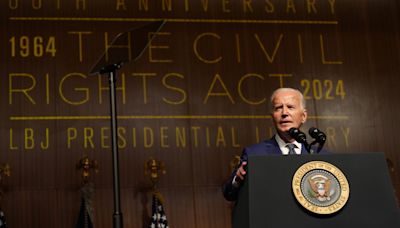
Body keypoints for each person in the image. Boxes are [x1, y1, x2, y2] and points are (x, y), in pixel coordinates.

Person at [223, 87, 326, 201]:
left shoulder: (320, 155)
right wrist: (237, 179)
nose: (284, 113)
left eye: (290, 107)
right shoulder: (255, 154)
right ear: (272, 115)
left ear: (304, 116)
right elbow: (229, 194)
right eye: (278, 108)